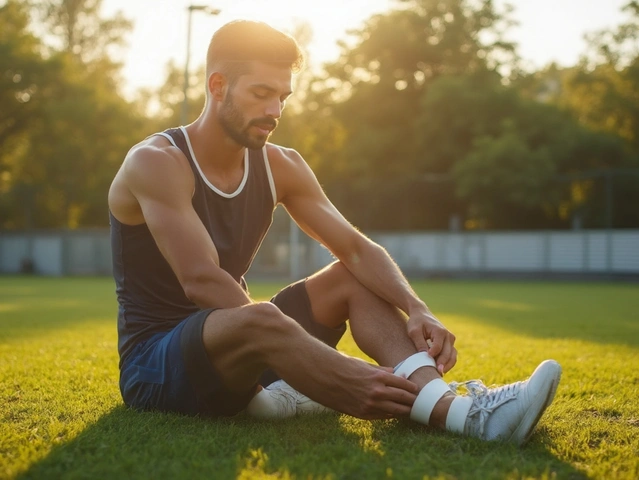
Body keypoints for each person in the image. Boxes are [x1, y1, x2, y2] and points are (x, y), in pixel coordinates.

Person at [108, 19, 561, 446]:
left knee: (348, 277)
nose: (274, 110)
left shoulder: (282, 164)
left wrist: (417, 307)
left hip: (246, 345)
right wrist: (332, 367)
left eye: (282, 97)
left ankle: (446, 404)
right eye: (261, 93)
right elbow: (201, 280)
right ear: (217, 86)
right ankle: (455, 417)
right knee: (260, 318)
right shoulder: (157, 162)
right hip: (156, 364)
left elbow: (357, 249)